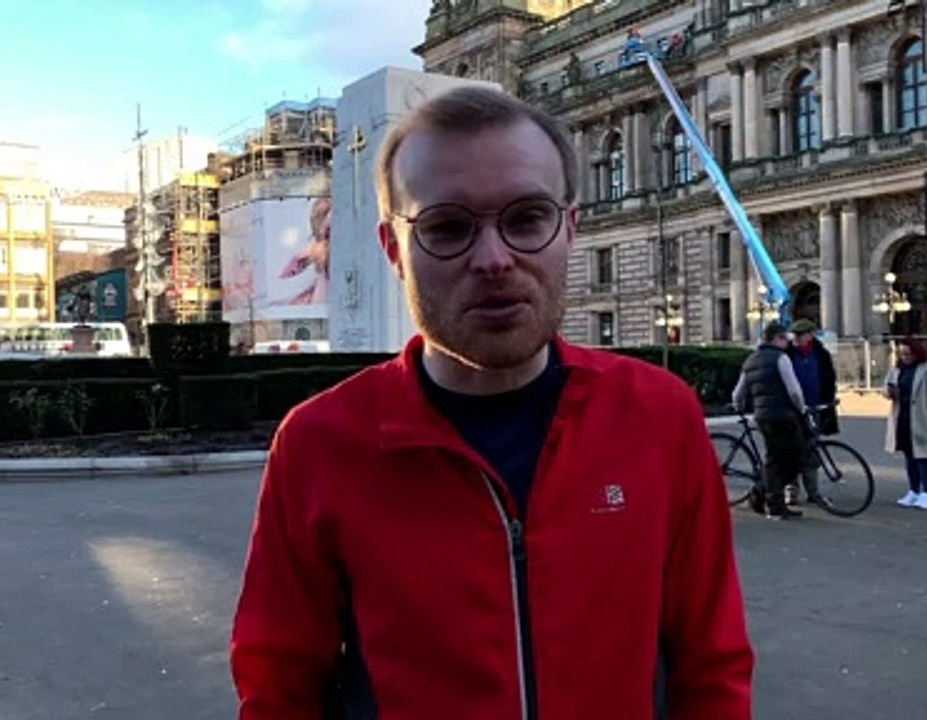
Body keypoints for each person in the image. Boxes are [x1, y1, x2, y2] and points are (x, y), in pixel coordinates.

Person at [231, 87, 753, 718]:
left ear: (570, 228)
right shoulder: (317, 444)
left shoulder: (660, 416)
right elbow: (278, 688)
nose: (495, 259)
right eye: (447, 227)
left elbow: (711, 664)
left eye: (527, 217)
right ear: (394, 250)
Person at [732, 321, 808, 519]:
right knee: (795, 458)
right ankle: (770, 501)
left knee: (775, 458)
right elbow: (793, 389)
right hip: (784, 414)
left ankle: (766, 497)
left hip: (762, 416)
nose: (788, 343)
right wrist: (802, 408)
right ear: (776, 338)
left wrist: (739, 407)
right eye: (785, 338)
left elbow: (738, 392)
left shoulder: (750, 360)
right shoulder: (780, 358)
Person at [784, 318, 839, 506]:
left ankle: (813, 492)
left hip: (814, 407)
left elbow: (829, 378)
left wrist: (829, 400)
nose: (796, 339)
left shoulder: (821, 354)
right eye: (794, 335)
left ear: (810, 335)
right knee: (791, 449)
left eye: (800, 335)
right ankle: (791, 490)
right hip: (792, 409)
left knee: (811, 448)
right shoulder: (787, 353)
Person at [885, 337, 927, 510]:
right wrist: (889, 392)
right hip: (902, 417)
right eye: (902, 354)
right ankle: (913, 490)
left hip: (920, 418)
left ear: (917, 353)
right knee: (909, 456)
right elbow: (886, 388)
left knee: (924, 456)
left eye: (908, 354)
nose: (905, 357)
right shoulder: (896, 370)